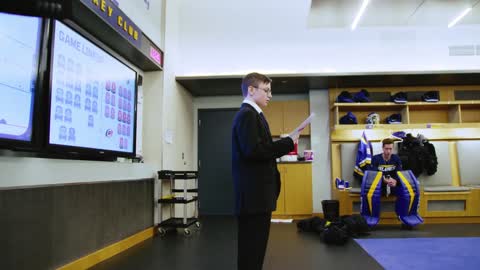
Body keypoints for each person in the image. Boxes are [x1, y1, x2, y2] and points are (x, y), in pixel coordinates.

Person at [232, 72, 300, 270]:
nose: (270, 95)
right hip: (253, 198)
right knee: (251, 250)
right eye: (267, 90)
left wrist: (286, 143)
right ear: (251, 90)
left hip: (257, 198)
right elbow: (254, 151)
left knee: (254, 250)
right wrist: (288, 143)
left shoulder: (254, 115)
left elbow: (259, 149)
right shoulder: (247, 115)